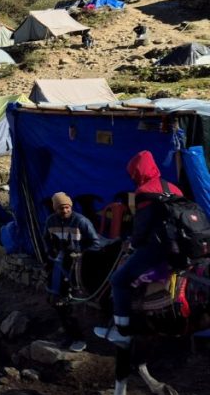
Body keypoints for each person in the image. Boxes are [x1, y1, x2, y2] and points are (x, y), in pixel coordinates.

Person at [96, 150, 183, 347]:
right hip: (179, 249)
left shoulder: (144, 192)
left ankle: (122, 331)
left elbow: (141, 227)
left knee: (119, 280)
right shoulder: (174, 188)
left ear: (137, 172)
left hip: (157, 249)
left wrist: (133, 243)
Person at [44, 192, 105, 352]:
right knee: (56, 299)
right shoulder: (51, 221)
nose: (64, 211)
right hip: (60, 263)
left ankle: (80, 336)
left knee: (71, 301)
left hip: (79, 263)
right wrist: (51, 252)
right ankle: (69, 333)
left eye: (66, 207)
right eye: (60, 208)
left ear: (70, 206)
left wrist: (80, 253)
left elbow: (96, 244)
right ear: (55, 209)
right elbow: (46, 240)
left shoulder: (81, 221)